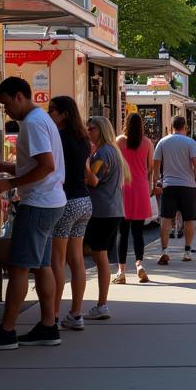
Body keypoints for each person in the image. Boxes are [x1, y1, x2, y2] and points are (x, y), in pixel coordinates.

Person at [0, 76, 66, 350]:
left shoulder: (34, 124)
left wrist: (9, 184)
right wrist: (5, 166)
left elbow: (45, 166)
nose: (6, 111)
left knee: (20, 267)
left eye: (6, 104)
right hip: (51, 201)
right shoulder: (42, 120)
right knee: (42, 265)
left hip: (38, 203)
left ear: (19, 97)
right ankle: (48, 326)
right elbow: (39, 165)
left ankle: (7, 330)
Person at [47, 96, 93, 330]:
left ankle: (53, 315)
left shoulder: (58, 138)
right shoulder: (83, 138)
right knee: (77, 261)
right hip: (84, 200)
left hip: (65, 200)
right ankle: (76, 313)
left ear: (64, 114)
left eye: (52, 110)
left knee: (57, 261)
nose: (49, 114)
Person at [82, 116, 128, 319]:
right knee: (100, 256)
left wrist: (83, 162)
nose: (88, 132)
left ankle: (102, 304)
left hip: (102, 210)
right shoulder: (112, 151)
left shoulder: (103, 152)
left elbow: (92, 180)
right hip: (111, 209)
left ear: (101, 130)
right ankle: (101, 303)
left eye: (91, 129)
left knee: (100, 256)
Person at [152, 115, 196, 263]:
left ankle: (164, 251)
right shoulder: (190, 142)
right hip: (187, 185)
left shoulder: (163, 141)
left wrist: (157, 181)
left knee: (166, 218)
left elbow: (156, 163)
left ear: (171, 126)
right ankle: (187, 251)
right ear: (185, 127)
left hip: (169, 185)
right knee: (188, 219)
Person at [114, 112, 154, 283]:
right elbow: (150, 167)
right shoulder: (147, 142)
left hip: (123, 187)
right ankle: (139, 264)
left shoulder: (119, 141)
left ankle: (121, 271)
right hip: (141, 187)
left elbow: (114, 164)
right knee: (138, 231)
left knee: (123, 233)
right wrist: (151, 185)